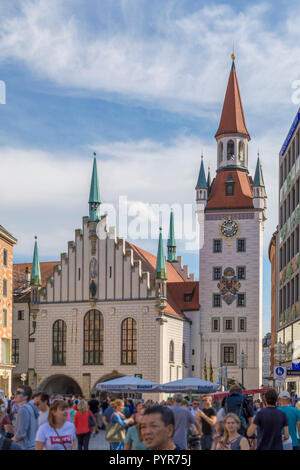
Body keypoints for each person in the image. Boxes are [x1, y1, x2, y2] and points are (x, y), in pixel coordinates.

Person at [12, 385, 39, 450]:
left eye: (18, 393)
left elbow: (21, 434)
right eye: (15, 392)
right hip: (32, 445)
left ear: (25, 397)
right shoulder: (30, 407)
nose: (15, 394)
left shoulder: (23, 409)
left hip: (24, 446)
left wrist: (10, 441)